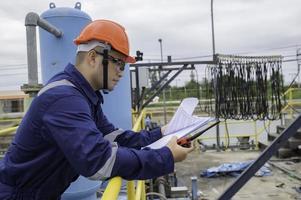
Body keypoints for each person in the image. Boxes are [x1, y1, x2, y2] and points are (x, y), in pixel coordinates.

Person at [0, 19, 193, 199]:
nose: (121, 73)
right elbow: (98, 162)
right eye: (118, 63)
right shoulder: (64, 98)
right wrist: (165, 156)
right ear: (93, 57)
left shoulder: (83, 96)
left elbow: (113, 137)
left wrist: (161, 133)